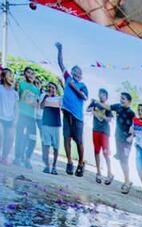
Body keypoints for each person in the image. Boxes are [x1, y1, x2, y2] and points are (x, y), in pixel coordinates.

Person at [54, 42, 88, 176]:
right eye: (75, 70)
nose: (77, 72)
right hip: (66, 113)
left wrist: (75, 88)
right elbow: (60, 63)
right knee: (66, 137)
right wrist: (60, 50)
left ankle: (81, 163)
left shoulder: (83, 85)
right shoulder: (68, 78)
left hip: (78, 117)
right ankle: (69, 162)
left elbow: (84, 97)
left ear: (81, 74)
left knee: (79, 141)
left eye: (79, 71)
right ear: (72, 72)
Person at [13, 67, 41, 168]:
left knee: (32, 138)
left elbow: (37, 104)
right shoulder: (21, 84)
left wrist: (36, 104)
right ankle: (17, 157)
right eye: (28, 72)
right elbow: (16, 98)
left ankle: (27, 158)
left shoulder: (37, 89)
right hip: (21, 114)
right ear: (24, 74)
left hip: (31, 117)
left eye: (32, 73)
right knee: (19, 136)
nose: (30, 74)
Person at [109, 92, 137, 193]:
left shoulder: (131, 113)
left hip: (127, 141)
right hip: (118, 138)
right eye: (121, 98)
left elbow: (135, 128)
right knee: (121, 160)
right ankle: (127, 180)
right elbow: (107, 107)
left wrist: (131, 136)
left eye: (123, 99)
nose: (121, 100)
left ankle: (127, 182)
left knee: (124, 161)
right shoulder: (118, 107)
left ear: (129, 102)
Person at [0, 69, 19, 164]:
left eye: (12, 76)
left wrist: (16, 119)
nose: (11, 78)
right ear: (3, 77)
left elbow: (16, 107)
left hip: (10, 117)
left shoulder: (15, 93)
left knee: (10, 138)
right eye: (9, 75)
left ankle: (4, 156)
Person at [89, 89, 113, 184]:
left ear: (106, 97)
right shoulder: (94, 103)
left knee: (106, 153)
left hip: (104, 132)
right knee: (96, 151)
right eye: (100, 94)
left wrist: (102, 116)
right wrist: (92, 108)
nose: (101, 96)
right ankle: (98, 172)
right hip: (95, 130)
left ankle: (109, 173)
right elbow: (88, 110)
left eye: (103, 95)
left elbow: (110, 119)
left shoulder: (107, 107)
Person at [39, 82, 63, 175]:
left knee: (56, 147)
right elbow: (41, 106)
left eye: (52, 87)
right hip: (46, 124)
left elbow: (63, 104)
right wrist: (46, 97)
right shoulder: (44, 96)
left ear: (56, 90)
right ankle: (47, 166)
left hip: (56, 125)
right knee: (46, 145)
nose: (50, 89)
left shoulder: (59, 98)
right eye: (49, 87)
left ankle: (54, 166)